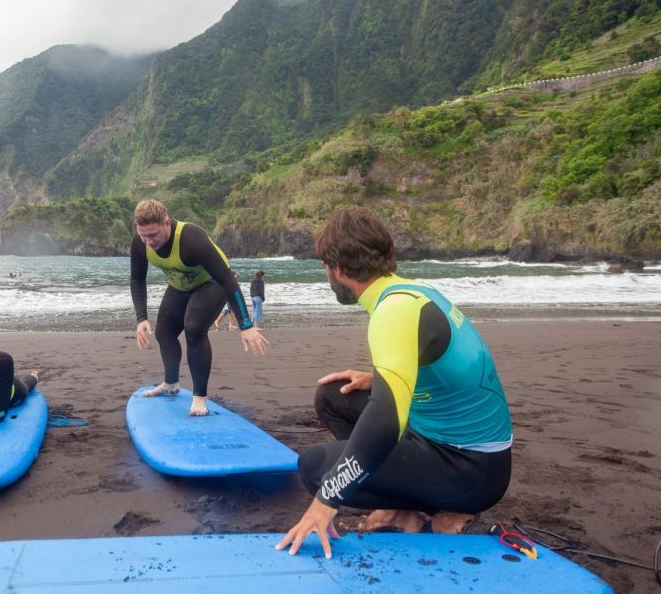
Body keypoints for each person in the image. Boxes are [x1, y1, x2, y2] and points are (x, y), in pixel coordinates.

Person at [276, 208, 512, 559]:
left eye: (325, 266)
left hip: (471, 469)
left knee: (315, 468)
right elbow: (439, 366)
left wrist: (327, 498)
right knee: (333, 397)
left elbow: (386, 420)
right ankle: (403, 504)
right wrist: (376, 379)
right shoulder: (410, 293)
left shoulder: (393, 313)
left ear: (337, 268)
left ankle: (424, 507)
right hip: (448, 439)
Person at [130, 199, 268, 416]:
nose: (148, 241)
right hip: (180, 284)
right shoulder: (140, 243)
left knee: (194, 328)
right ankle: (171, 383)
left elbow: (227, 280)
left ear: (166, 223)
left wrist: (246, 324)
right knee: (164, 333)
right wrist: (141, 318)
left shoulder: (190, 239)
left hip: (212, 282)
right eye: (143, 235)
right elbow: (137, 279)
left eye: (153, 235)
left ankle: (199, 397)